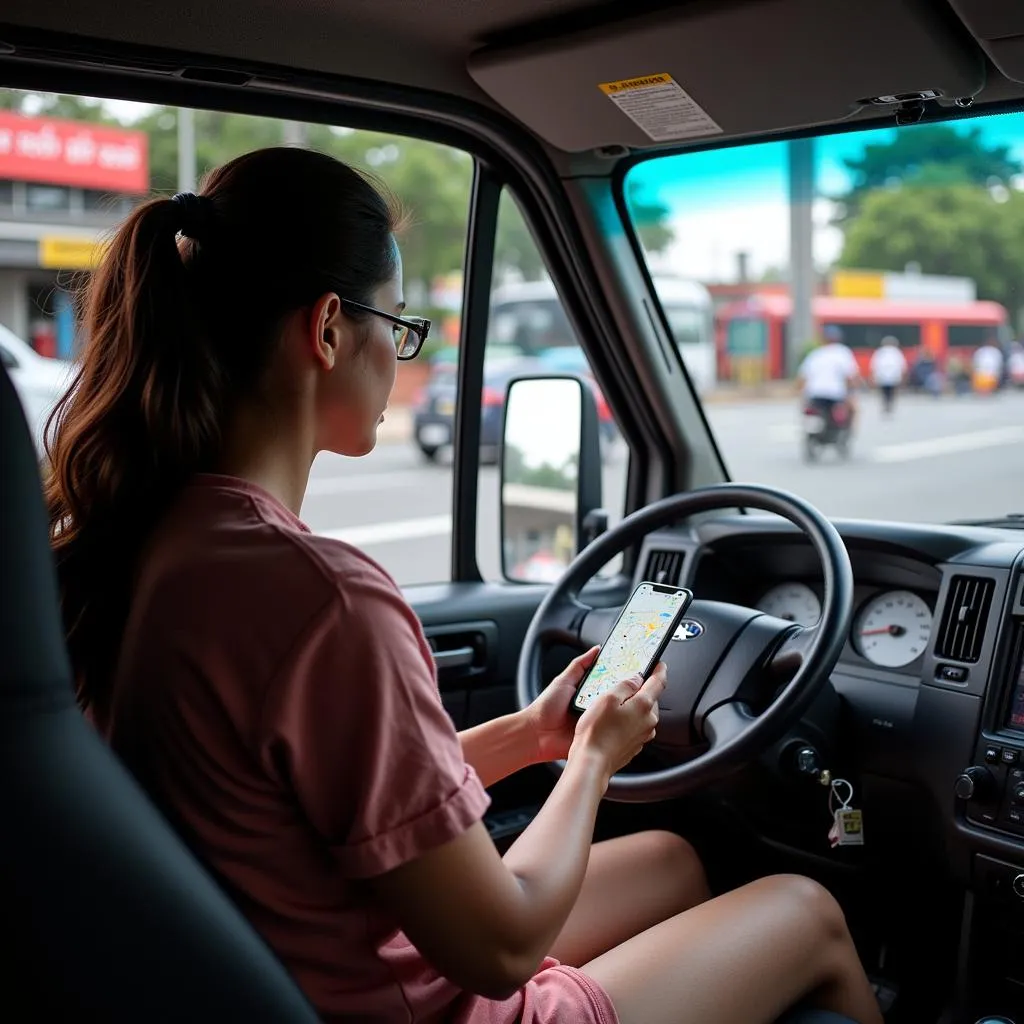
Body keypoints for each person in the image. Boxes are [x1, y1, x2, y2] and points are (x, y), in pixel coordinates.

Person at [42, 147, 881, 1024]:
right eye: (398, 325)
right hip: (419, 1006)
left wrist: (530, 736)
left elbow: (316, 800)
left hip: (288, 972)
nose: (401, 355)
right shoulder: (324, 599)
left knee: (674, 857)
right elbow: (503, 947)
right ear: (328, 327)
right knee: (808, 910)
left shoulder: (139, 545)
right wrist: (594, 758)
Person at [796, 325, 861, 429]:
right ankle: (849, 430)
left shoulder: (815, 354)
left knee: (804, 406)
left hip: (814, 394)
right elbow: (851, 376)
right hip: (836, 394)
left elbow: (802, 378)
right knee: (854, 408)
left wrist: (801, 392)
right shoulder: (843, 353)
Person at [868, 336, 906, 416]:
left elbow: (874, 365)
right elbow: (902, 365)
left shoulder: (880, 352)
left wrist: (873, 376)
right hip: (891, 376)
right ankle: (888, 405)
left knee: (885, 392)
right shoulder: (896, 352)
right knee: (890, 392)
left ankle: (887, 405)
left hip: (884, 376)